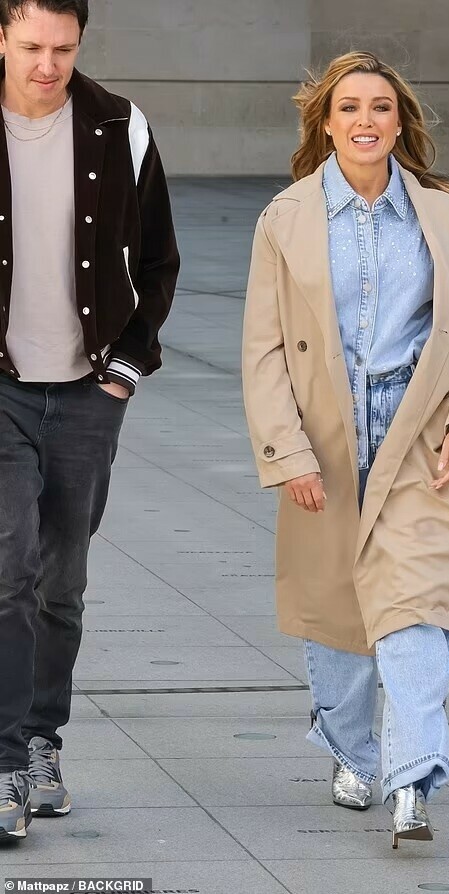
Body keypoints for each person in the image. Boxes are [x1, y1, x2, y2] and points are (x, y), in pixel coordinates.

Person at [242, 51, 449, 849]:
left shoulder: (440, 212)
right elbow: (264, 349)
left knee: (419, 603)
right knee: (336, 606)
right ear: (326, 124)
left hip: (418, 433)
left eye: (381, 107)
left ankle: (412, 777)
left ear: (401, 124)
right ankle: (353, 752)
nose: (366, 120)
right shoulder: (285, 218)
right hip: (326, 436)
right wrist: (288, 451)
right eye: (350, 107)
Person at [0, 0, 179, 841]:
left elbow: (159, 257)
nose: (48, 65)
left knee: (59, 585)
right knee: (7, 573)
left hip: (85, 392)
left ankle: (42, 740)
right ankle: (4, 762)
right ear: (1, 37)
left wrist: (123, 370)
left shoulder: (118, 126)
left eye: (63, 48)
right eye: (32, 46)